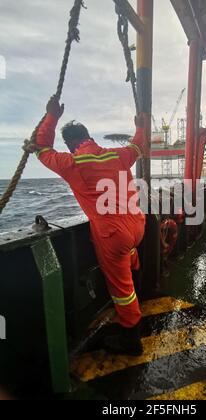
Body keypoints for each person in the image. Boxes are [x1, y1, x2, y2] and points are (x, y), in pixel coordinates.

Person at [35, 95, 146, 356]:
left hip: (113, 235)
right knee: (131, 256)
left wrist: (51, 116)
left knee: (122, 290)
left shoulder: (72, 162)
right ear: (88, 136)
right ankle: (142, 285)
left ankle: (131, 339)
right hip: (138, 226)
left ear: (70, 144)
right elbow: (139, 146)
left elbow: (41, 148)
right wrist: (140, 126)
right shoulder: (118, 155)